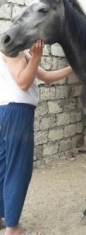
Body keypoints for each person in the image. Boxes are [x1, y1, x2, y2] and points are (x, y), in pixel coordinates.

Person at [0, 39, 73, 235]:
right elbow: (23, 82)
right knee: (18, 169)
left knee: (4, 167)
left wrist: (73, 67)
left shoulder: (19, 53)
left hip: (4, 110)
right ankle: (13, 227)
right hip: (17, 111)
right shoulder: (13, 49)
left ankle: (3, 216)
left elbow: (46, 76)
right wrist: (38, 56)